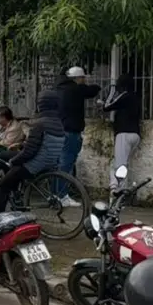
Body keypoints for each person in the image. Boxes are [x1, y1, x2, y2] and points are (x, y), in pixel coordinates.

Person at [0, 91, 64, 212]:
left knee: (2, 185)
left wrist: (14, 161)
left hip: (33, 165)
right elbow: (41, 145)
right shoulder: (58, 124)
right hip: (49, 163)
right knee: (6, 156)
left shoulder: (40, 124)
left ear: (41, 106)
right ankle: (16, 192)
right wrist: (21, 145)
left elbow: (29, 152)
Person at [55, 67, 101, 206]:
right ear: (77, 78)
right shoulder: (75, 89)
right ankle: (62, 196)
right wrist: (89, 84)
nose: (84, 81)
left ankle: (55, 194)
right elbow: (93, 90)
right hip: (71, 131)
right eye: (82, 78)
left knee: (59, 164)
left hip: (60, 130)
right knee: (66, 164)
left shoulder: (59, 89)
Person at [103, 72, 142, 191]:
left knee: (120, 166)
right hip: (135, 135)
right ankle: (116, 188)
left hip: (123, 134)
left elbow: (107, 106)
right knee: (120, 163)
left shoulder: (124, 96)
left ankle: (119, 192)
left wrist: (112, 91)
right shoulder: (136, 97)